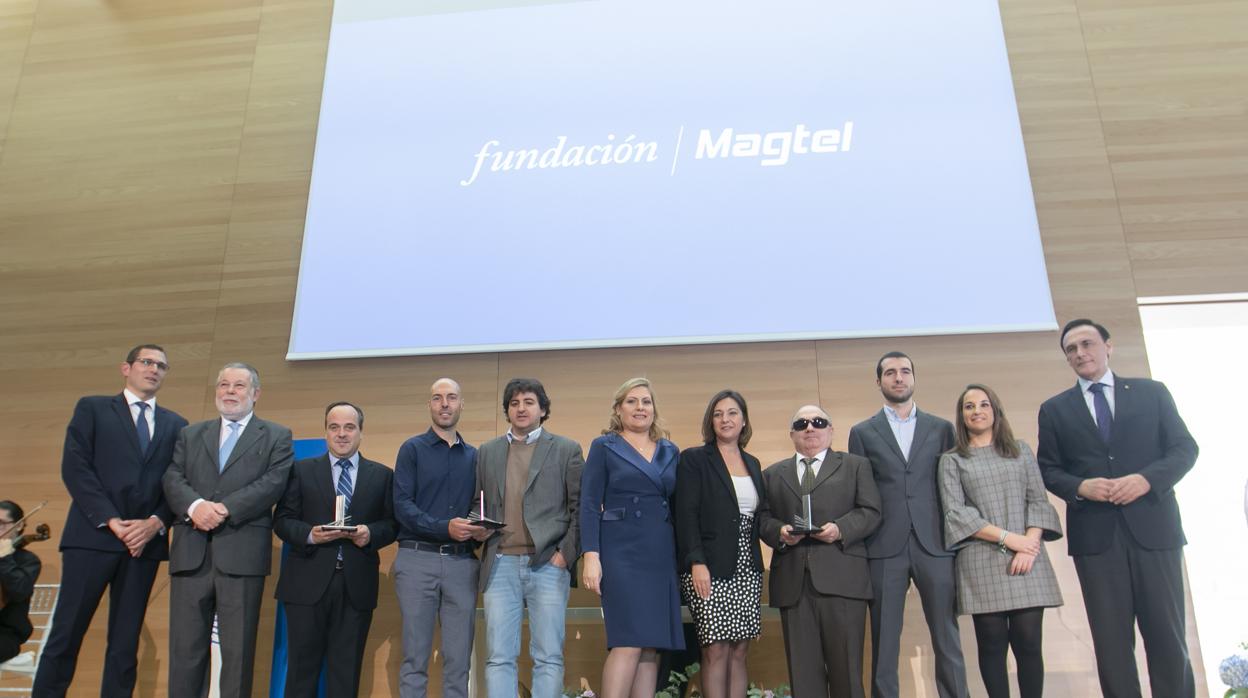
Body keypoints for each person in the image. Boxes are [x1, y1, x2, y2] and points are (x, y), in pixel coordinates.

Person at [1038, 318, 1199, 698]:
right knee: (1111, 645)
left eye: (1087, 344)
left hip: (1154, 531)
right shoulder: (1055, 409)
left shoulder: (1152, 393)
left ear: (1108, 346)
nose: (1080, 353)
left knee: (1167, 635)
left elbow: (1184, 449)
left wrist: (1146, 479)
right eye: (1071, 350)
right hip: (1096, 540)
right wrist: (1080, 486)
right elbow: (1047, 469)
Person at [32, 344, 188, 698]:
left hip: (143, 545)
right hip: (93, 537)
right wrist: (113, 521)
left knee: (124, 643)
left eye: (162, 366)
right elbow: (75, 468)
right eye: (147, 362)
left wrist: (154, 523)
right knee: (66, 633)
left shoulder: (177, 425)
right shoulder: (93, 408)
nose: (154, 370)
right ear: (126, 368)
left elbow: (176, 483)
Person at [161, 362, 294, 698]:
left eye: (238, 386)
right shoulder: (191, 434)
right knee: (185, 651)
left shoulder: (277, 435)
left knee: (238, 653)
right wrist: (195, 507)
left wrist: (224, 509)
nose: (229, 392)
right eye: (223, 385)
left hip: (242, 555)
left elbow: (273, 483)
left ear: (255, 394)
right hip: (191, 553)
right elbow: (173, 477)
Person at [847, 351, 968, 698]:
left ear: (914, 377)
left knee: (947, 636)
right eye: (890, 373)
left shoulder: (942, 428)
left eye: (904, 371)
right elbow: (861, 493)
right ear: (879, 382)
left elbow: (952, 487)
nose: (898, 378)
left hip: (935, 544)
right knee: (884, 642)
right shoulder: (863, 432)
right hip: (884, 546)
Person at [938, 384, 1063, 698]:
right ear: (961, 415)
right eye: (969, 406)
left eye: (983, 404)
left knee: (1029, 642)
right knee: (992, 644)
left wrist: (1029, 545)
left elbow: (1038, 502)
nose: (977, 411)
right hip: (982, 559)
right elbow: (957, 514)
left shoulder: (1020, 450)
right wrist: (1011, 540)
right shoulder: (952, 460)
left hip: (1027, 558)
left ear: (995, 410)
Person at [273, 402, 397, 698]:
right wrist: (311, 535)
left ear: (361, 432)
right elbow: (282, 521)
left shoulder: (381, 475)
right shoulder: (300, 471)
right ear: (326, 432)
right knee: (301, 672)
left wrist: (371, 534)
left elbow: (393, 524)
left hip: (356, 587)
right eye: (334, 427)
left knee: (346, 673)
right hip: (305, 585)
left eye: (349, 427)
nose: (341, 434)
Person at [757, 405, 882, 698]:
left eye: (818, 421)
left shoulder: (855, 466)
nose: (809, 427)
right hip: (793, 585)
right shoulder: (772, 474)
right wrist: (780, 533)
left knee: (847, 676)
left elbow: (871, 511)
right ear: (792, 434)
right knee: (803, 678)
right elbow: (762, 519)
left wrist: (840, 529)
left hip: (843, 582)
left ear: (830, 430)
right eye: (801, 423)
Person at [474, 378, 584, 698]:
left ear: (543, 409)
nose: (521, 408)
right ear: (507, 410)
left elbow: (580, 508)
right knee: (498, 657)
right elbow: (476, 503)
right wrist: (476, 530)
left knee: (548, 656)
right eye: (514, 403)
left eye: (529, 402)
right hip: (500, 563)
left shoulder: (566, 449)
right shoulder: (488, 452)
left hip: (548, 563)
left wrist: (565, 554)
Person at [580, 377, 684, 698]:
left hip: (659, 554)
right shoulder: (604, 446)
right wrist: (591, 555)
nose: (640, 408)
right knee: (627, 642)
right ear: (618, 409)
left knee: (651, 646)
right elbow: (587, 504)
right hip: (620, 553)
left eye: (646, 402)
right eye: (632, 401)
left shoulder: (670, 450)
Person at [674, 389, 766, 698]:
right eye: (718, 414)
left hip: (746, 567)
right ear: (710, 422)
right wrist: (696, 562)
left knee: (739, 651)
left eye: (732, 413)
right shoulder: (694, 459)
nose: (725, 419)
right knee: (714, 649)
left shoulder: (753, 463)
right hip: (708, 566)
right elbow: (686, 515)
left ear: (744, 421)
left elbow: (759, 516)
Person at [393, 378, 480, 698]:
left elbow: (478, 505)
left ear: (461, 404)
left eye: (451, 397)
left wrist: (478, 529)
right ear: (429, 405)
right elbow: (402, 506)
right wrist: (444, 528)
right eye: (437, 398)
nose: (445, 403)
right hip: (417, 559)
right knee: (415, 657)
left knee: (459, 660)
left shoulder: (475, 456)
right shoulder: (411, 449)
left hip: (461, 563)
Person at [0, 501, 42, 665]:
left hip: (5, 635)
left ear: (19, 525)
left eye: (1, 524)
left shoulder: (27, 560)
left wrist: (4, 558)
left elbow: (19, 591)